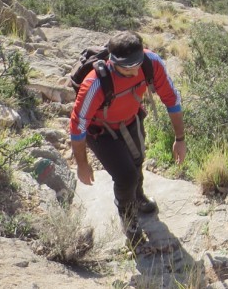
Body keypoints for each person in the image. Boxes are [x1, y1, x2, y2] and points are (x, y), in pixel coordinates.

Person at [70, 31, 186, 240]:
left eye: (136, 65)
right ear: (113, 62)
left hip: (131, 119)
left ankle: (138, 197)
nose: (133, 73)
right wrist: (82, 164)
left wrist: (180, 139)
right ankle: (128, 216)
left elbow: (172, 99)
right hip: (101, 131)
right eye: (126, 68)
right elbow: (78, 126)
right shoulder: (96, 82)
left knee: (138, 160)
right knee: (125, 176)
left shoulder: (151, 63)